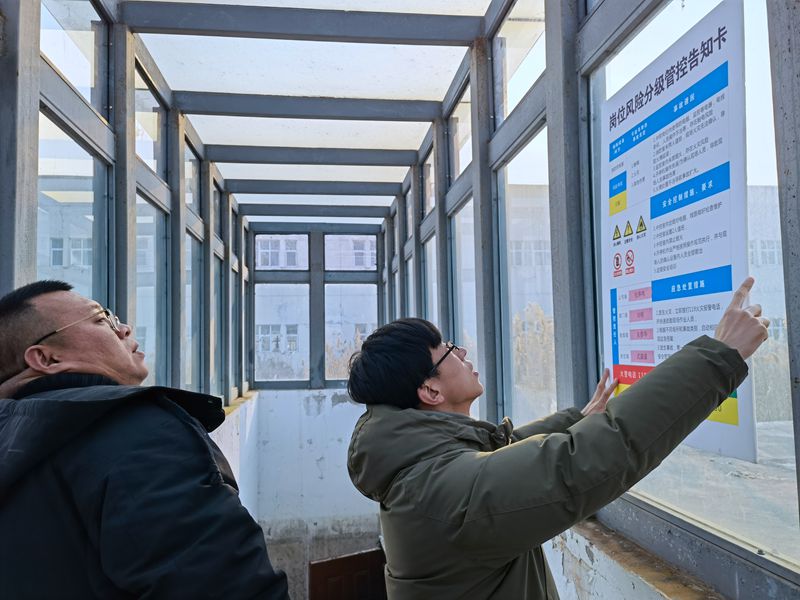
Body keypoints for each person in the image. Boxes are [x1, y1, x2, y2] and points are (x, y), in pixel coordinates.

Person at [346, 277, 769, 599]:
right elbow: (575, 464)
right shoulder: (442, 495)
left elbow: (499, 453)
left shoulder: (420, 467)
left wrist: (575, 420)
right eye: (447, 349)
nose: (462, 353)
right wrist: (719, 357)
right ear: (430, 391)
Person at [0, 281, 289, 599]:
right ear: (47, 359)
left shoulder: (13, 439)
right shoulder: (139, 433)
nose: (123, 328)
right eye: (101, 320)